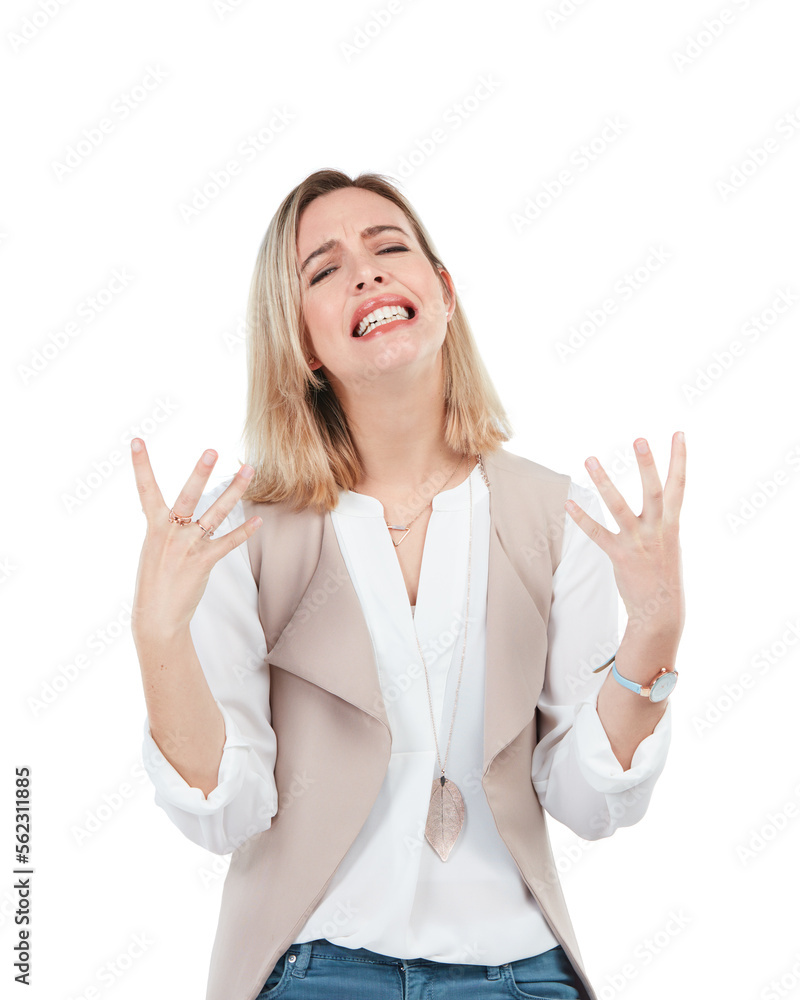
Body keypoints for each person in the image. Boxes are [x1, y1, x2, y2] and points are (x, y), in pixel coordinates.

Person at [130, 169, 686, 1000]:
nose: (367, 270)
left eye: (390, 247)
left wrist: (654, 629)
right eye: (324, 269)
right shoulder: (241, 534)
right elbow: (226, 811)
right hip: (314, 971)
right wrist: (158, 639)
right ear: (305, 345)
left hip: (518, 976)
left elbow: (587, 800)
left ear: (444, 292)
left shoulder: (556, 516)